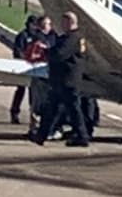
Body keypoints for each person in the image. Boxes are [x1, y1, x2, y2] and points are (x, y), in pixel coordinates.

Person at [33, 11, 90, 147]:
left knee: (72, 109)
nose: (62, 25)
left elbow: (60, 54)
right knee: (52, 108)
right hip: (62, 80)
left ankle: (82, 136)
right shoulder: (70, 37)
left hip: (67, 80)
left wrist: (45, 51)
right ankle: (41, 135)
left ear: (70, 22)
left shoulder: (73, 38)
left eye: (64, 22)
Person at [22, 15, 55, 136]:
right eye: (47, 24)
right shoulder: (37, 38)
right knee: (37, 103)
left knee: (45, 103)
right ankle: (35, 128)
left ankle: (42, 127)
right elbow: (30, 55)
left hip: (47, 75)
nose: (50, 26)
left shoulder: (52, 37)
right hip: (39, 75)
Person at [9, 15, 39, 124]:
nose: (34, 27)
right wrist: (25, 61)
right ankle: (14, 112)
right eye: (32, 24)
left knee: (34, 92)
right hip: (23, 67)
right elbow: (18, 51)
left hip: (35, 69)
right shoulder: (23, 36)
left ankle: (33, 114)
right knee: (20, 90)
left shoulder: (38, 36)